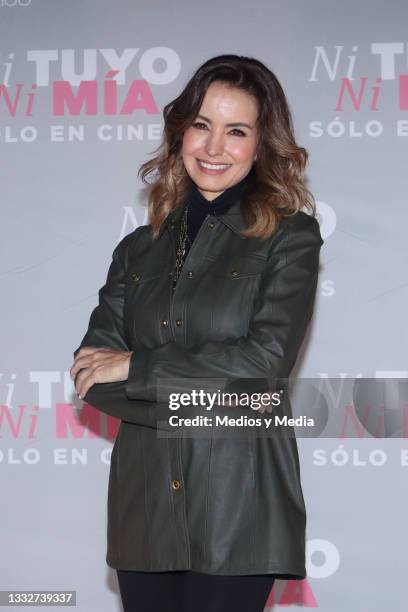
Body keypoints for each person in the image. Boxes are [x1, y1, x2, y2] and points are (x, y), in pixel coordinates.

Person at [70, 54, 324, 612]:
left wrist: (139, 367)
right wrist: (221, 399)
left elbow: (263, 364)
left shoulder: (291, 239)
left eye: (236, 131)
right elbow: (92, 375)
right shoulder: (138, 248)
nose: (213, 148)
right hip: (146, 512)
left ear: (261, 145)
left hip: (240, 512)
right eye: (202, 125)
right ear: (180, 131)